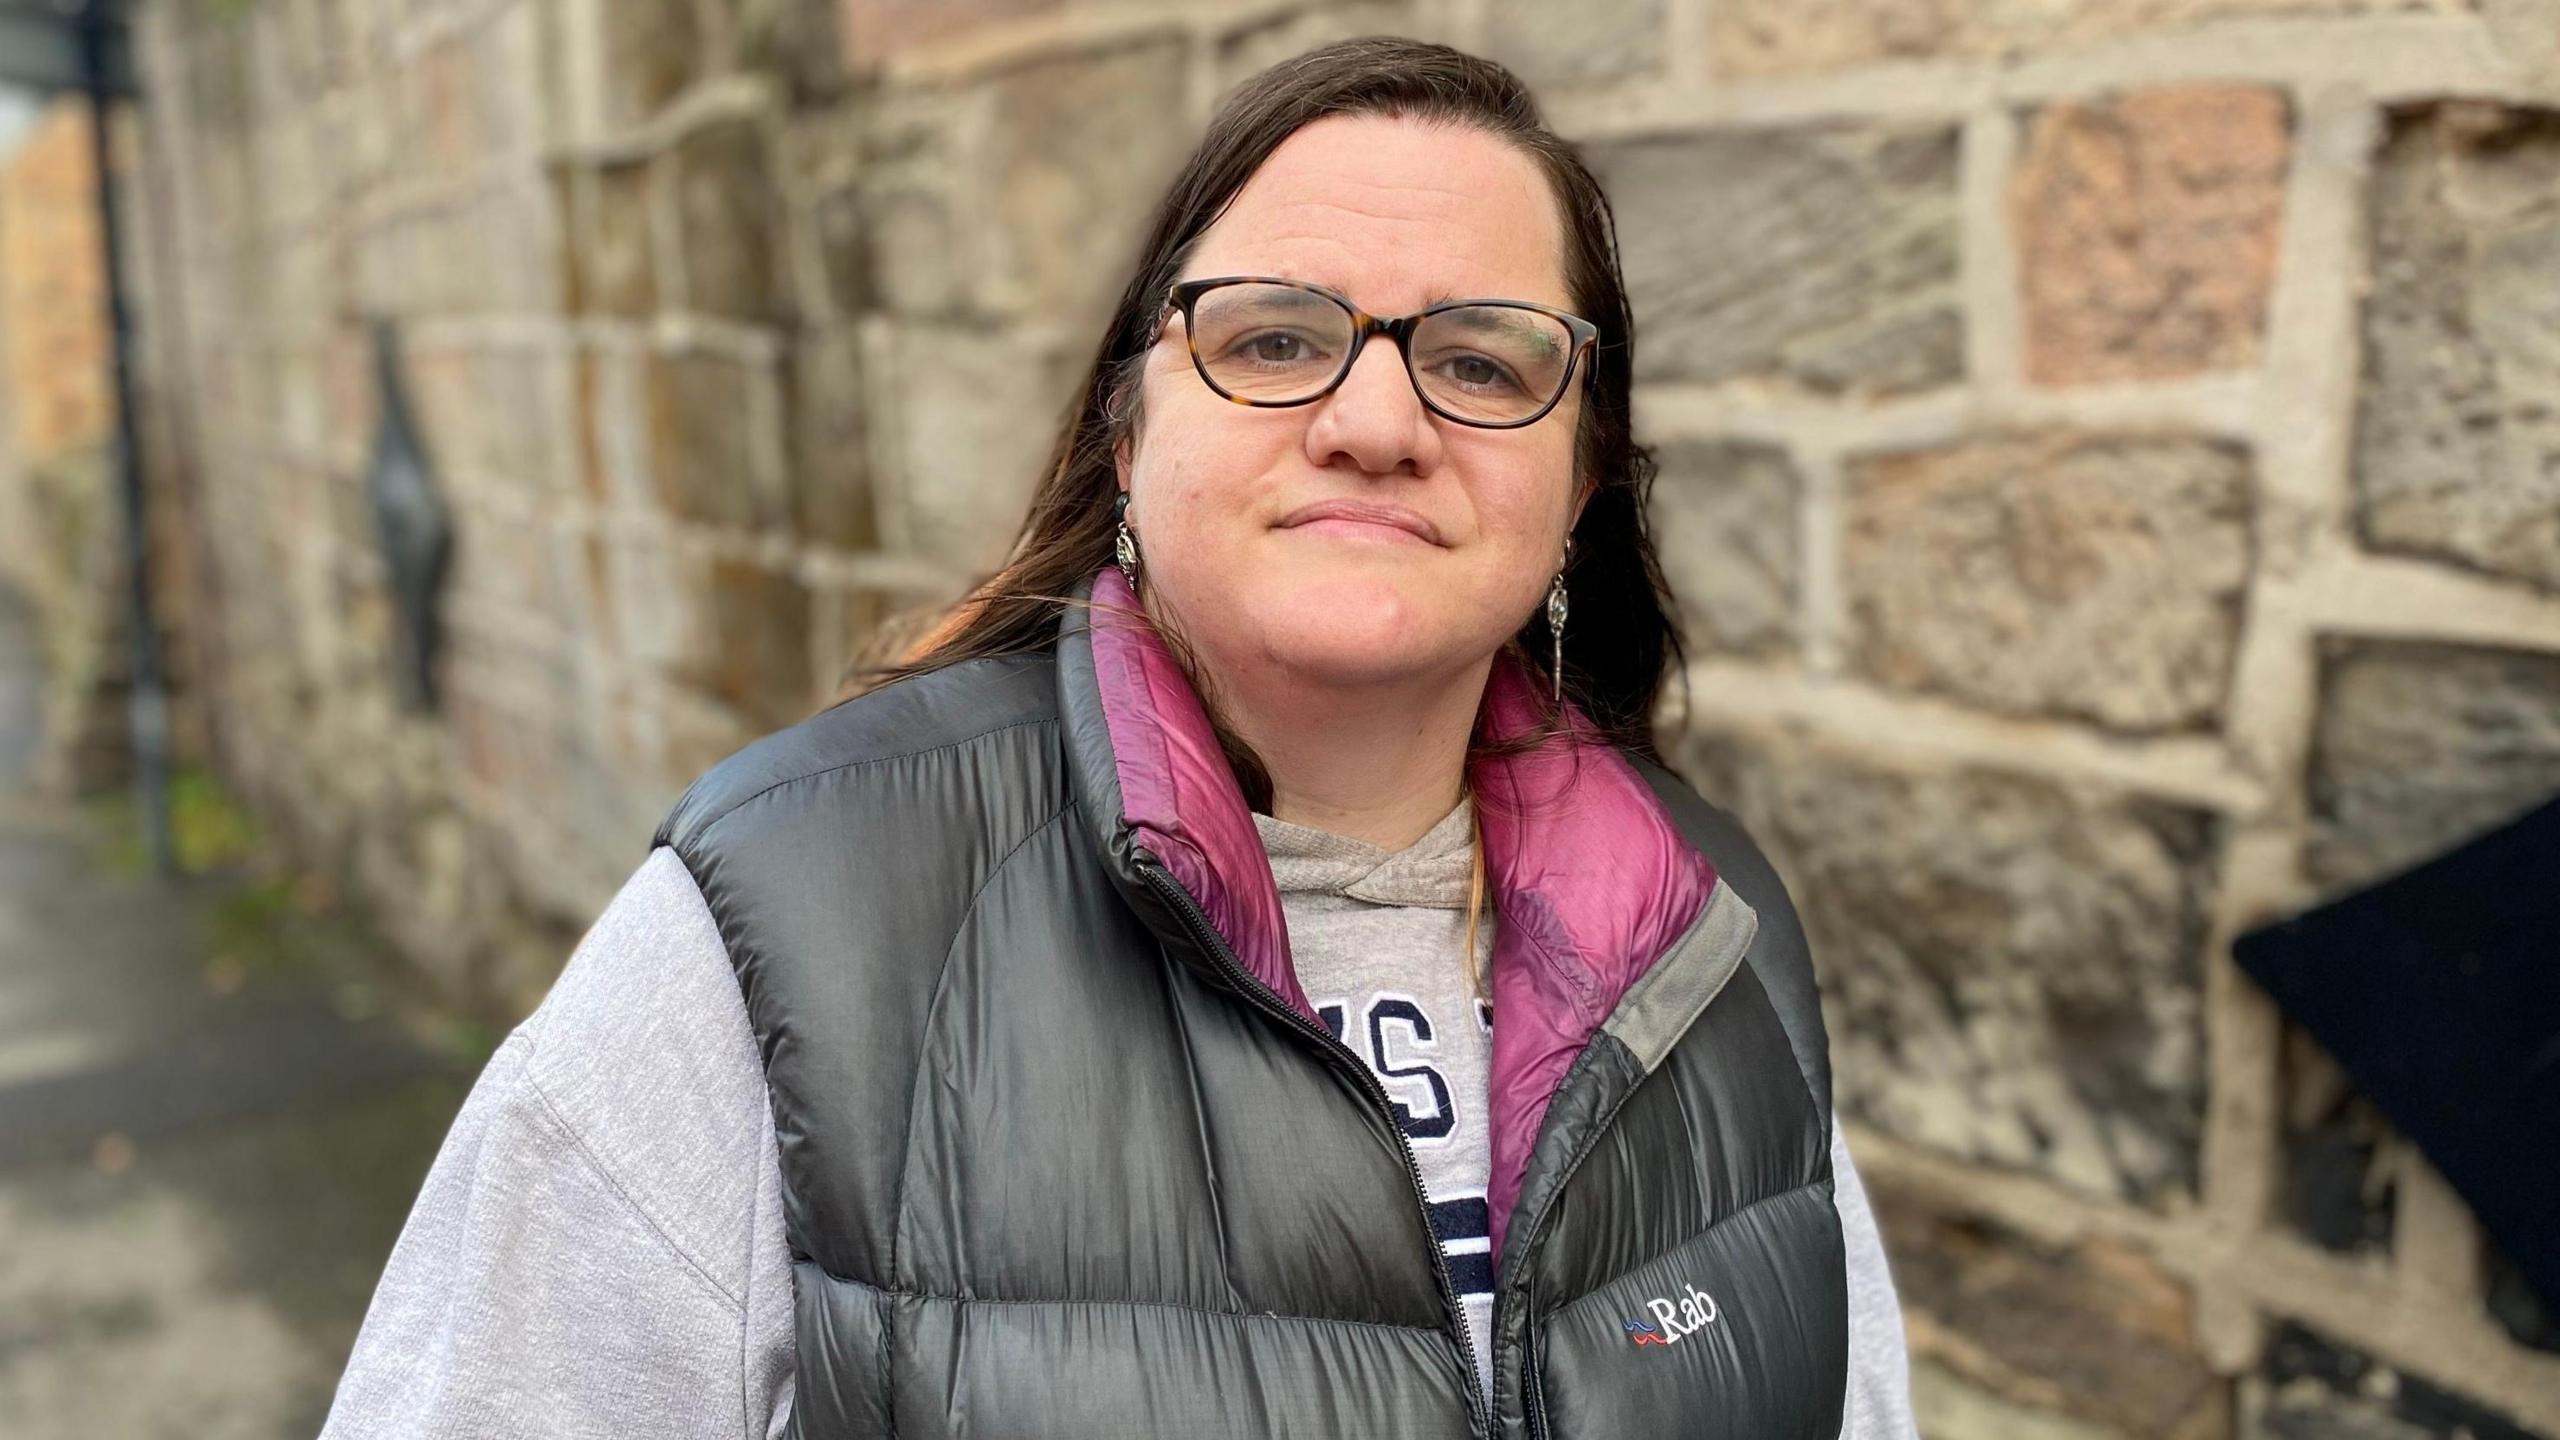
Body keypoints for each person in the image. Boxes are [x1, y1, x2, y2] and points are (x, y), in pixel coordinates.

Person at [320, 36, 1917, 1440]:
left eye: (1483, 361)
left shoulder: (1709, 943)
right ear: (1128, 423)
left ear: (1580, 483)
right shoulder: (792, 933)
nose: (1376, 423)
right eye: (1277, 338)